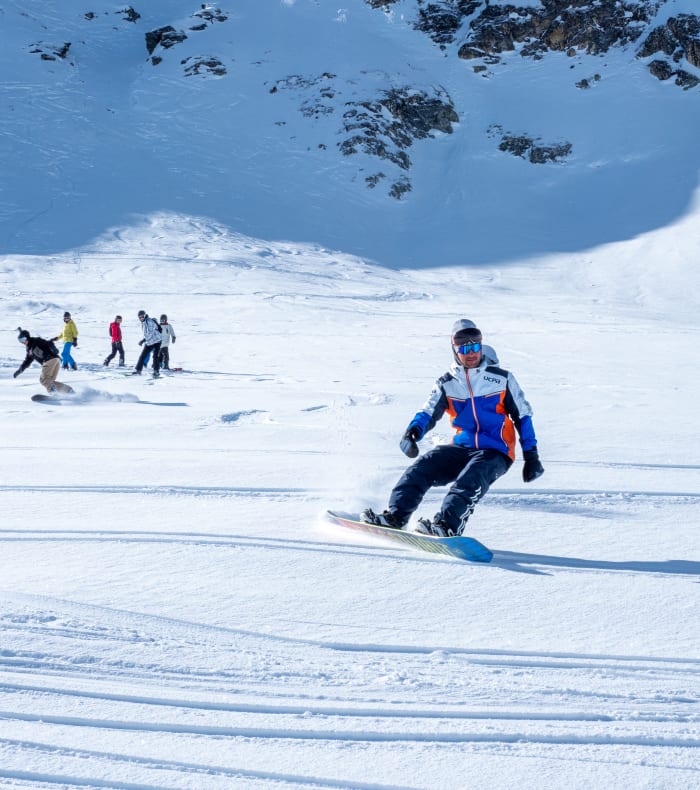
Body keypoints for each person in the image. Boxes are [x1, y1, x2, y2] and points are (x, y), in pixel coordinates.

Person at [362, 319, 544, 537]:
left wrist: (531, 456)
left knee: (469, 481)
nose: (471, 353)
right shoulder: (447, 383)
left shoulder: (501, 379)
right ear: (454, 350)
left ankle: (447, 526)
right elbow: (428, 411)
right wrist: (413, 432)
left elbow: (522, 415)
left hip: (496, 451)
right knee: (421, 468)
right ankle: (396, 517)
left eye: (475, 346)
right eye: (464, 349)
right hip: (462, 447)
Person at [14, 327, 74, 394]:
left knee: (43, 379)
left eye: (23, 340)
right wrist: (20, 370)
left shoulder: (35, 341)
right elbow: (27, 362)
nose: (23, 342)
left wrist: (54, 349)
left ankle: (53, 393)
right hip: (55, 361)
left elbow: (48, 343)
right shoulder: (29, 350)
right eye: (20, 341)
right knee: (50, 381)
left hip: (49, 360)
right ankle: (68, 390)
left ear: (27, 337)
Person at [132, 310, 161, 377]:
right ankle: (138, 370)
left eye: (142, 316)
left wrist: (143, 340)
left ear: (145, 315)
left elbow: (150, 333)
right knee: (142, 356)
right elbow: (147, 334)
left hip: (157, 341)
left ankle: (156, 371)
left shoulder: (149, 321)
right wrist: (144, 340)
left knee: (155, 356)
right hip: (149, 342)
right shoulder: (144, 322)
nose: (141, 318)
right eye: (140, 317)